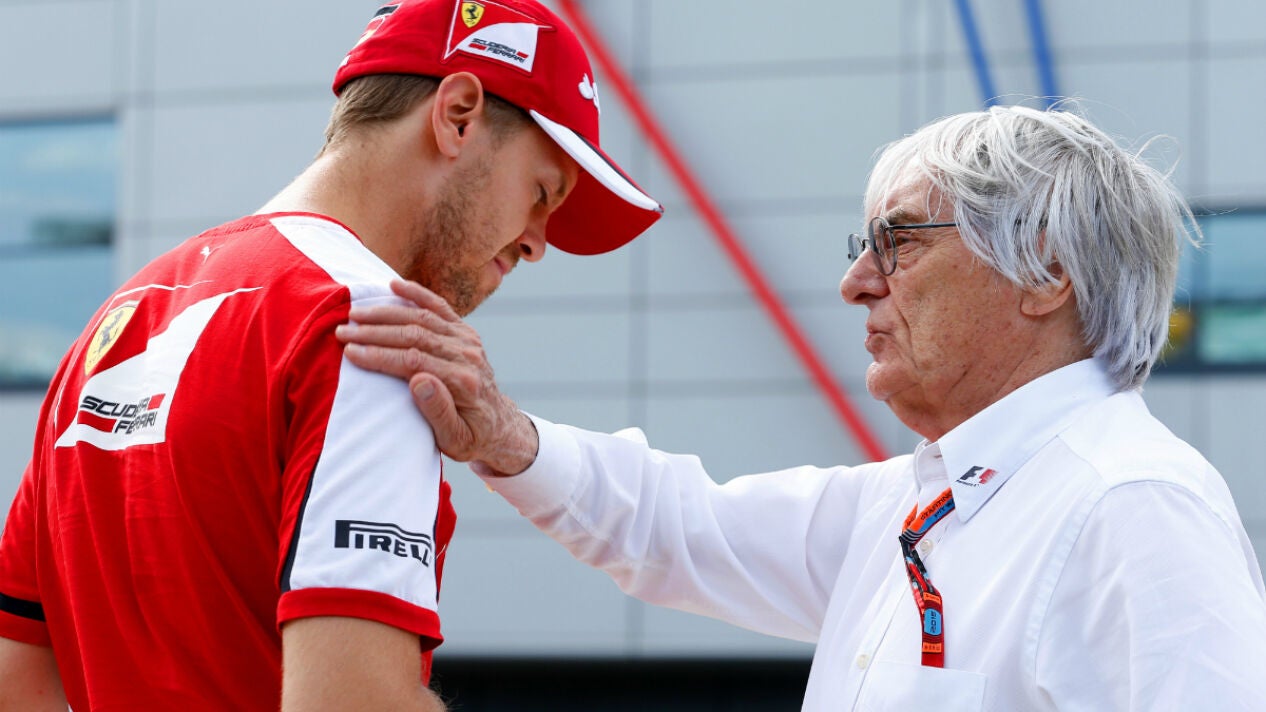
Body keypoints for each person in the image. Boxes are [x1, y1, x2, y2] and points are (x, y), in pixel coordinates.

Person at [337, 105, 1266, 710]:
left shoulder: (1135, 506)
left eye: (900, 242)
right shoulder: (923, 502)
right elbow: (676, 528)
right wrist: (502, 435)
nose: (856, 283)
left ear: (1046, 272)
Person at [0, 0, 662, 709]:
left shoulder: (117, 325)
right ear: (459, 115)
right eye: (541, 193)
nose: (536, 242)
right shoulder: (375, 336)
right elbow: (353, 701)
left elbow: (16, 679)